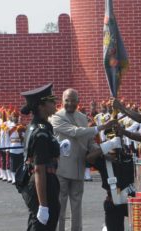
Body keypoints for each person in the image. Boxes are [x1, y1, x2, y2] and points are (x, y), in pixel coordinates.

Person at [50, 88, 116, 231]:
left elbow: (89, 141)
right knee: (59, 207)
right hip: (61, 169)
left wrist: (103, 152)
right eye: (67, 100)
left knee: (77, 207)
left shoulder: (82, 118)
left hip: (79, 168)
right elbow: (75, 132)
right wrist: (101, 127)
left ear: (78, 102)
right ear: (62, 101)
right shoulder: (56, 117)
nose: (70, 103)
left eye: (73, 100)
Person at [19, 83, 61, 230]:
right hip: (43, 185)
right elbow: (39, 169)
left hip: (46, 181)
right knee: (43, 226)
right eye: (51, 101)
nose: (55, 103)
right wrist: (43, 205)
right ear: (41, 105)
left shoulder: (43, 126)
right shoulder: (41, 133)